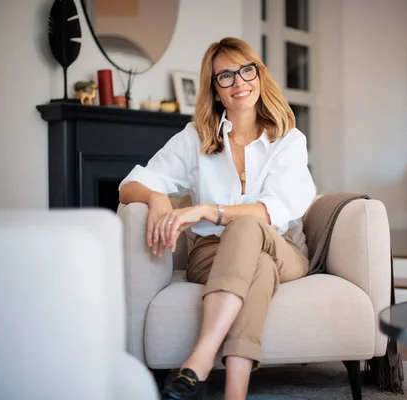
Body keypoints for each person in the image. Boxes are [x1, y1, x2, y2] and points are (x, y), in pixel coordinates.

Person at [118, 37, 316, 400]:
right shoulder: (196, 137)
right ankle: (234, 393)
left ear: (259, 75)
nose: (239, 82)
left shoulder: (287, 138)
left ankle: (199, 360)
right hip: (211, 254)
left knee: (248, 228)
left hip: (283, 248)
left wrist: (210, 210)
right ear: (216, 91)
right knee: (258, 268)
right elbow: (130, 185)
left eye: (246, 70)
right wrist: (158, 198)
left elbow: (276, 208)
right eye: (225, 76)